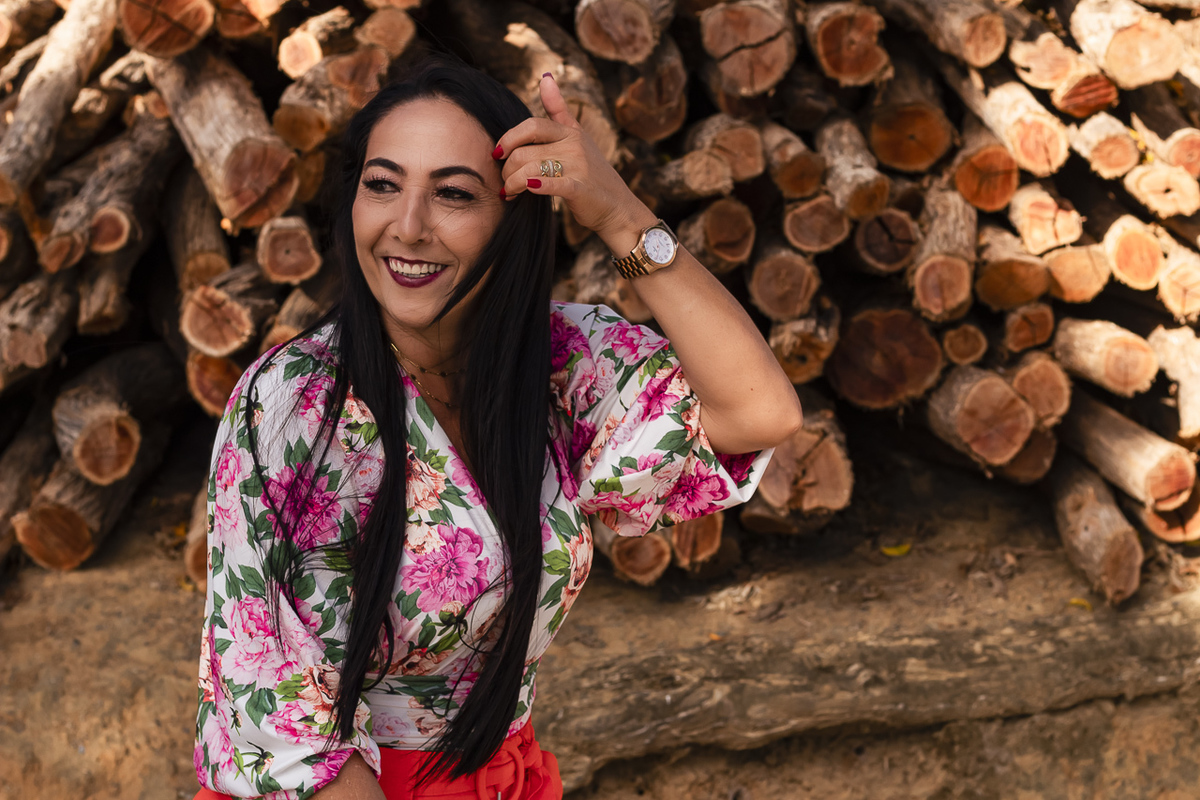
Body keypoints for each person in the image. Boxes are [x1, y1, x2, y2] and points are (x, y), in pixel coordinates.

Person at [192, 55, 802, 800]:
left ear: (513, 217)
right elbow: (284, 723)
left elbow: (758, 411)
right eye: (382, 185)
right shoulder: (296, 405)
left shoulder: (559, 364)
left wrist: (617, 212)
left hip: (508, 777)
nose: (407, 227)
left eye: (453, 194)